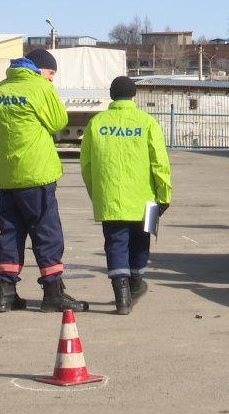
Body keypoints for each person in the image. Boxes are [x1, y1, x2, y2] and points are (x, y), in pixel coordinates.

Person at [0, 49, 90, 313]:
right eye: (50, 74)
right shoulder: (39, 87)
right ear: (39, 70)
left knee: (10, 233)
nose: (52, 80)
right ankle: (52, 292)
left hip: (6, 177)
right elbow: (58, 121)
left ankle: (5, 293)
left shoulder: (1, 89)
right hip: (36, 175)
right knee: (46, 233)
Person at [80, 76, 172, 315]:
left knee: (115, 244)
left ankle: (122, 299)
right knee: (143, 241)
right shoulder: (147, 122)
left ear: (111, 96)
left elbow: (87, 165)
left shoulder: (97, 123)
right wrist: (164, 195)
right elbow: (160, 163)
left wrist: (97, 194)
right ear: (134, 96)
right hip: (148, 201)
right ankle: (135, 284)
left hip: (110, 199)